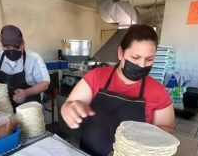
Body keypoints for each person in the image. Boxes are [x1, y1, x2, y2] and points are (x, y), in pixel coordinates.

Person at [61, 24, 175, 156]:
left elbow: (166, 128)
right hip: (89, 152)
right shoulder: (96, 76)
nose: (142, 65)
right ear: (121, 53)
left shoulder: (158, 91)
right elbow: (68, 105)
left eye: (149, 59)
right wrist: (69, 110)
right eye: (135, 57)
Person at [0, 25, 50, 112]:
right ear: (1, 44)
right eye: (7, 47)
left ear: (23, 44)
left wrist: (26, 93)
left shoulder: (34, 58)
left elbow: (44, 83)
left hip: (28, 109)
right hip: (2, 109)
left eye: (16, 47)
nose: (11, 51)